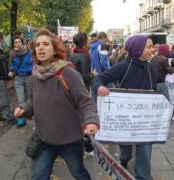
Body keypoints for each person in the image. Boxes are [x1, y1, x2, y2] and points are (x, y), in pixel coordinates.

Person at [13, 28, 99, 180]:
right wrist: (23, 109)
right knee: (39, 176)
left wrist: (91, 121)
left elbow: (86, 102)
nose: (40, 47)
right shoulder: (35, 76)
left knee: (79, 173)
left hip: (70, 141)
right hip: (44, 140)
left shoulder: (68, 73)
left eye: (46, 44)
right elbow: (32, 100)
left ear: (55, 49)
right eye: (38, 45)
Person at [92, 35, 155, 180]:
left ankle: (143, 176)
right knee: (126, 150)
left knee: (145, 150)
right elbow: (99, 78)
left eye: (152, 46)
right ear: (138, 49)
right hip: (125, 120)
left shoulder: (151, 67)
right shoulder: (123, 66)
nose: (153, 49)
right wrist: (99, 87)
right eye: (149, 47)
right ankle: (124, 161)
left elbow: (154, 91)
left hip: (144, 120)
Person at [8, 36, 33, 127]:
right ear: (13, 44)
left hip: (29, 77)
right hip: (18, 78)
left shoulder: (29, 52)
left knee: (28, 98)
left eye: (19, 42)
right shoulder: (12, 53)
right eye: (15, 42)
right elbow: (11, 65)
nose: (18, 44)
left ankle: (28, 113)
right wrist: (11, 71)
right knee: (21, 99)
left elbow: (33, 63)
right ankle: (22, 120)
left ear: (22, 43)